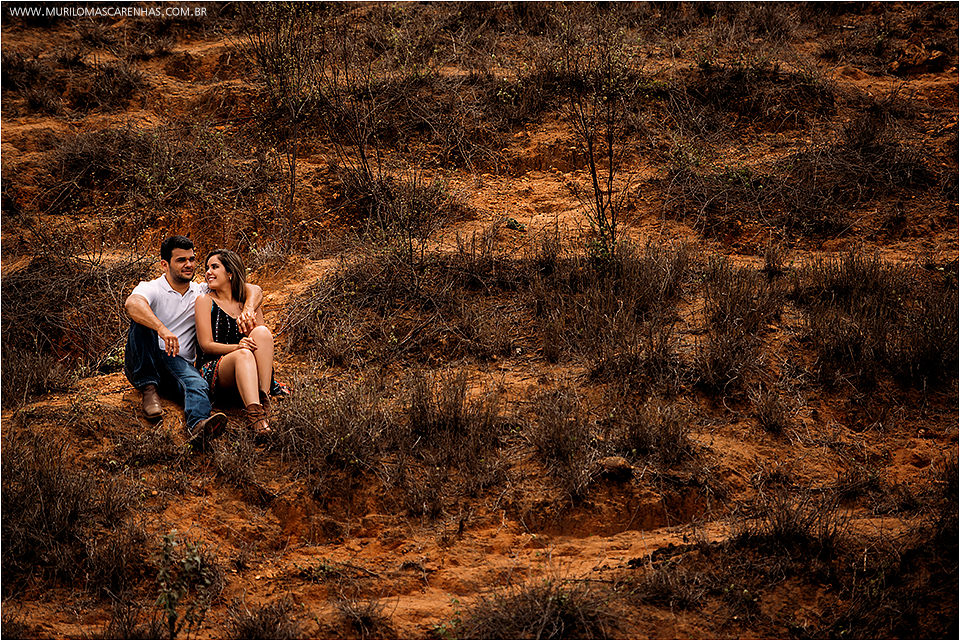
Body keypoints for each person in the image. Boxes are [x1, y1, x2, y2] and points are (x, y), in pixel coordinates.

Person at [124, 236, 262, 445]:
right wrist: (161, 328)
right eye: (181, 260)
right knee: (141, 321)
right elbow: (132, 304)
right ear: (165, 264)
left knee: (197, 383)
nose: (189, 265)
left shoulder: (201, 290)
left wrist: (249, 308)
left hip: (177, 362)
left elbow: (254, 289)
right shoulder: (151, 287)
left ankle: (199, 427)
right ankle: (148, 388)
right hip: (147, 356)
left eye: (192, 259)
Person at [195, 249, 277, 436]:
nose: (208, 272)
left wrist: (249, 326)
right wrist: (237, 347)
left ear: (230, 272)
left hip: (249, 369)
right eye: (207, 268)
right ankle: (255, 416)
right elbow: (205, 345)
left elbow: (260, 341)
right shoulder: (205, 301)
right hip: (216, 369)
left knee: (262, 332)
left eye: (215, 267)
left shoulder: (246, 303)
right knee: (244, 354)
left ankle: (264, 399)